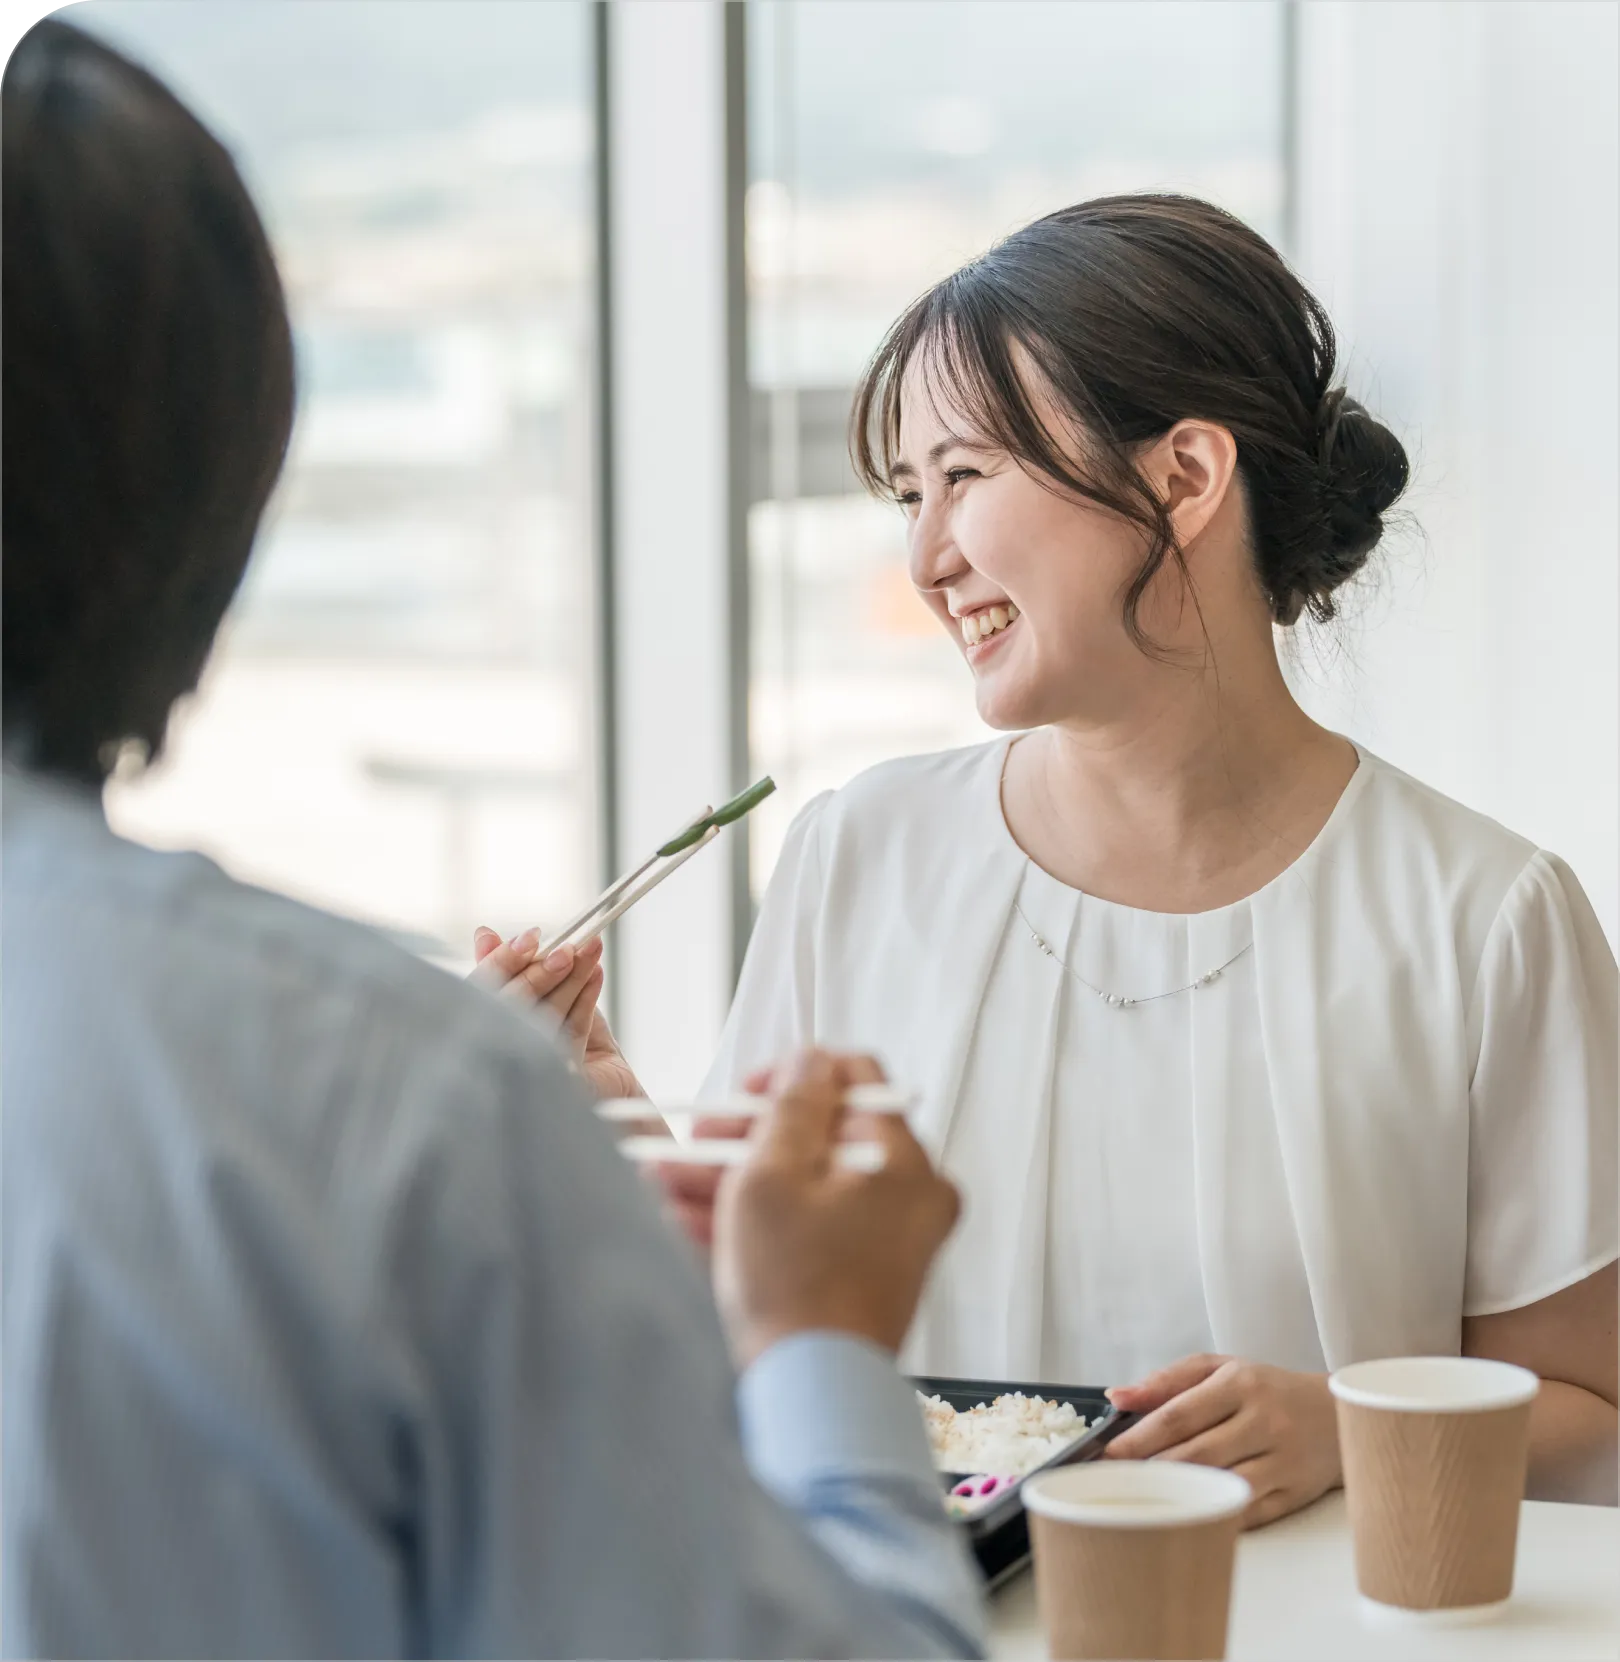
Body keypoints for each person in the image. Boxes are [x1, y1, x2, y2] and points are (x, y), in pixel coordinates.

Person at [0, 22, 985, 1659]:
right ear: (221, 488)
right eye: (910, 486)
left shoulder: (407, 1098)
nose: (933, 554)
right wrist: (822, 1345)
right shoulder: (391, 1105)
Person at [492, 194, 1619, 1525]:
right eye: (909, 495)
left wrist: (1349, 1430)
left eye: (966, 476)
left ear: (1184, 478)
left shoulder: (1484, 918)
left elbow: (1595, 1417)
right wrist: (607, 1113)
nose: (927, 557)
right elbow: (761, 1347)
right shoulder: (858, 856)